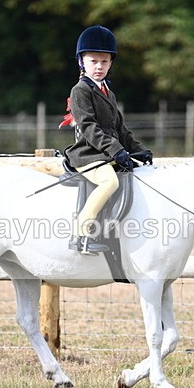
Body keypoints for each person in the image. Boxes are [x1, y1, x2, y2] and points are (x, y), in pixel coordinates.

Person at [62, 25, 153, 255]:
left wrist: (138, 150)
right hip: (87, 154)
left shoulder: (108, 93)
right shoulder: (80, 91)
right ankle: (82, 234)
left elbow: (120, 128)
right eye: (94, 61)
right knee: (109, 182)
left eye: (104, 61)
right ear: (82, 62)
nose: (99, 67)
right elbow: (89, 127)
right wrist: (115, 150)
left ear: (111, 63)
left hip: (106, 153)